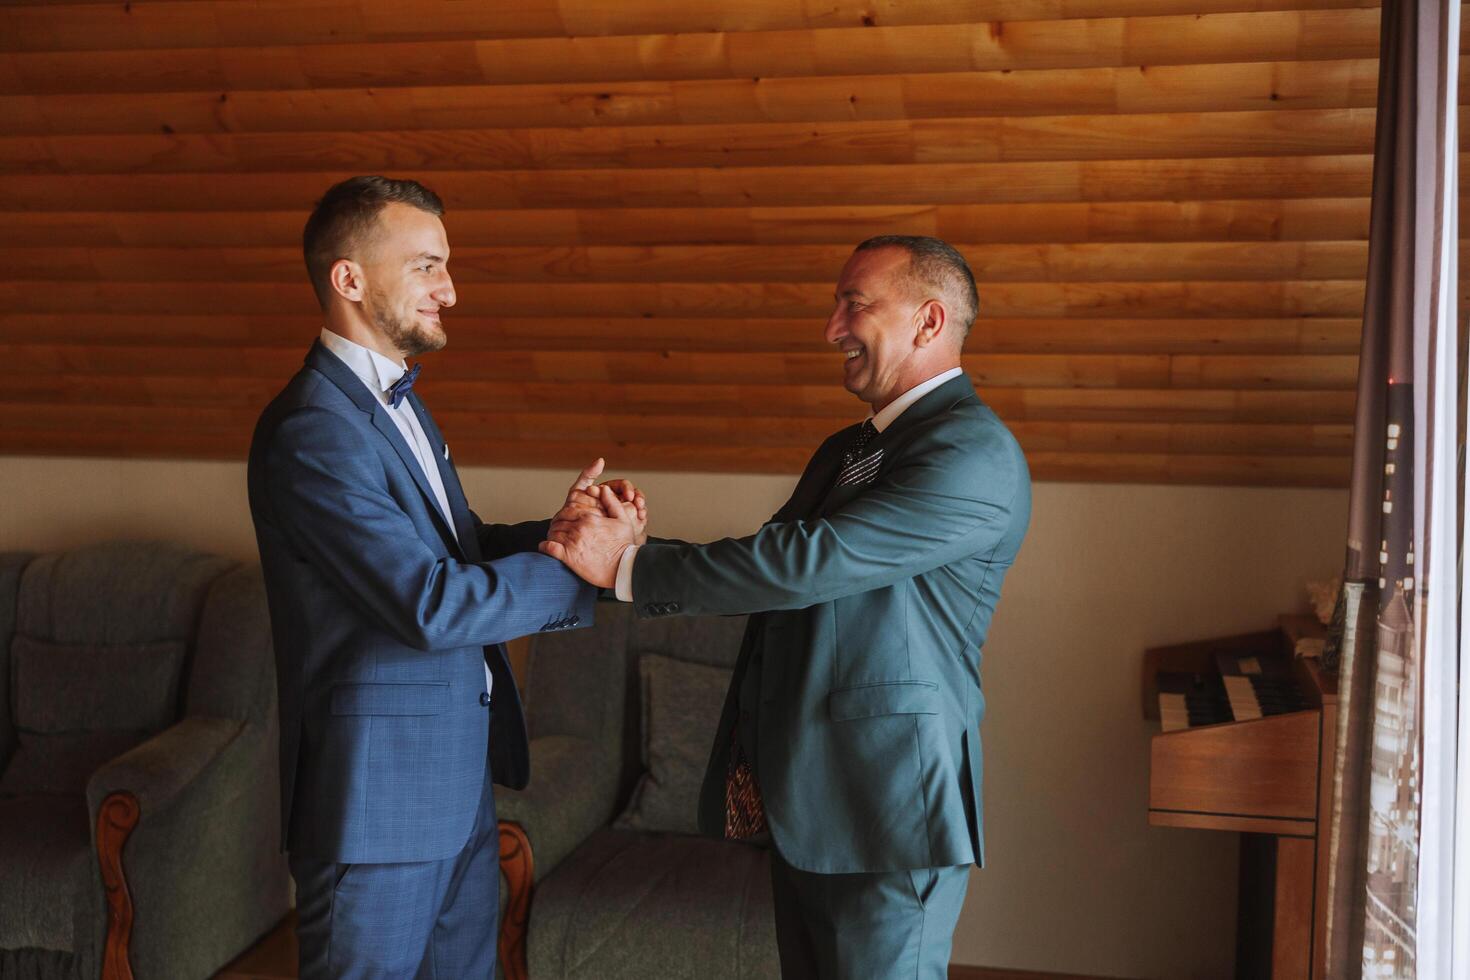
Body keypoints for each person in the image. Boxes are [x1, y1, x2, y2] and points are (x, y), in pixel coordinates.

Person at [543, 235, 1031, 979]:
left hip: (888, 810)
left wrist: (631, 568)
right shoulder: (850, 448)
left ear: (929, 322)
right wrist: (630, 546)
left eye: (853, 305)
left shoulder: (974, 453)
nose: (832, 328)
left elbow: (811, 563)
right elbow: (771, 567)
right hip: (810, 804)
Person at [247, 175, 642, 978]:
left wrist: (564, 532)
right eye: (427, 266)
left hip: (458, 785)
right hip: (377, 805)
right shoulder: (311, 431)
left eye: (446, 267)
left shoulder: (398, 405)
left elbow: (454, 551)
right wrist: (578, 570)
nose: (450, 292)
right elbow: (427, 603)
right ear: (348, 278)